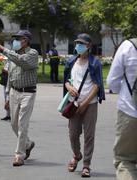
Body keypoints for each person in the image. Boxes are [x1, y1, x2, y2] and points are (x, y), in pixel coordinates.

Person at [0, 30, 37, 167]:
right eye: (15, 38)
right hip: (14, 92)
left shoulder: (32, 54)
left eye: (19, 38)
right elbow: (10, 77)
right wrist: (7, 96)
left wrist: (3, 50)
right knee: (14, 124)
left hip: (27, 92)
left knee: (22, 124)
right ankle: (28, 144)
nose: (16, 41)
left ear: (26, 40)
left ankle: (19, 155)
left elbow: (22, 62)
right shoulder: (13, 55)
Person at [63, 33, 105, 177]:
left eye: (81, 44)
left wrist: (86, 103)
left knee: (89, 135)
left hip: (90, 104)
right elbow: (66, 80)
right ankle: (76, 155)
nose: (78, 46)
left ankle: (86, 165)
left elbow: (97, 85)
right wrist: (68, 87)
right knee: (73, 134)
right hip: (73, 103)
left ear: (88, 46)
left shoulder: (95, 63)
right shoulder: (71, 61)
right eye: (77, 43)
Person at [107, 39, 137, 180]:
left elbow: (112, 82)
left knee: (125, 161)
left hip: (130, 111)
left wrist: (125, 90)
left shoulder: (129, 46)